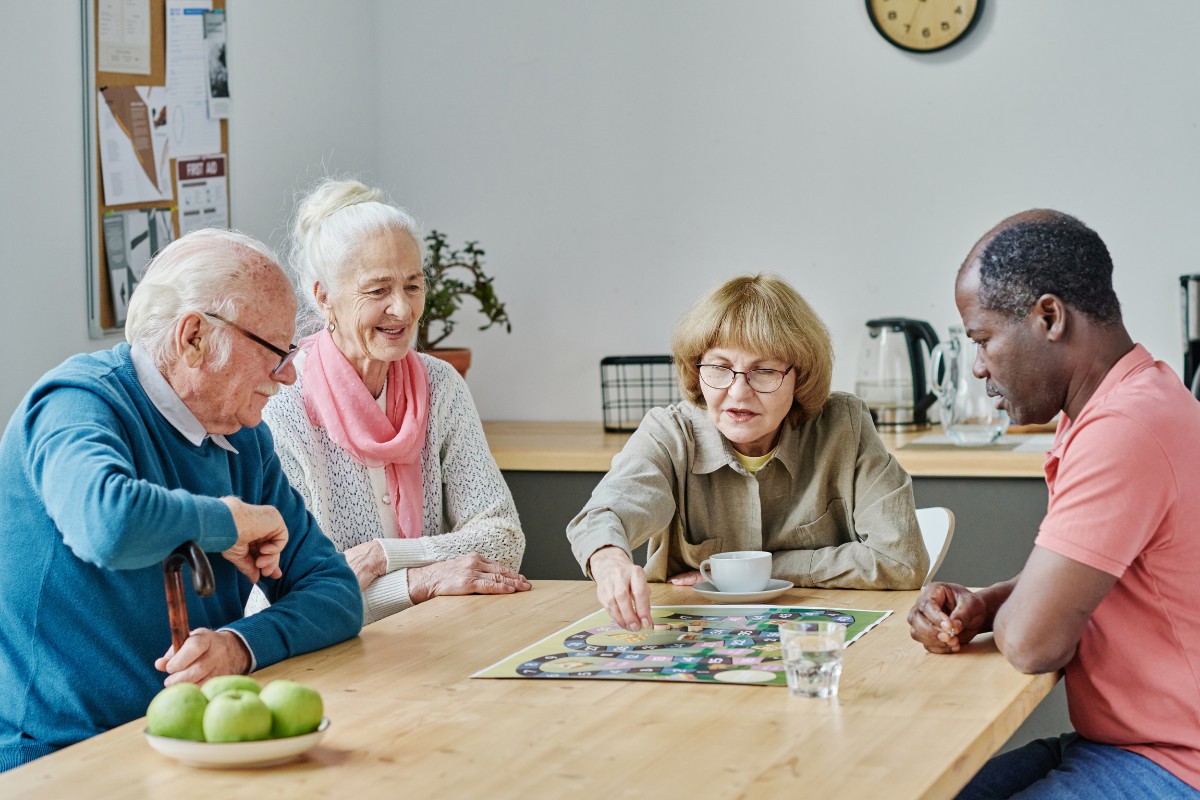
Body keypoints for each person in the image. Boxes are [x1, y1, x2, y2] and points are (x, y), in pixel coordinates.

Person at [0, 229, 362, 771]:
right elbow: (107, 523)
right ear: (194, 336)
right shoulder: (76, 401)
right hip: (54, 758)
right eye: (276, 353)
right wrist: (228, 522)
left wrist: (239, 646)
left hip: (192, 748)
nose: (288, 377)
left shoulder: (243, 440)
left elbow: (334, 591)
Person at [907, 210, 1200, 798]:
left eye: (983, 338)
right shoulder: (1122, 401)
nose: (979, 366)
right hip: (1122, 742)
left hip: (1174, 759)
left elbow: (1031, 643)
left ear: (1048, 317)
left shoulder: (1124, 428)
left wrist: (1018, 618)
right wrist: (988, 603)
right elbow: (1095, 574)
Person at [567, 273, 928, 631]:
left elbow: (901, 560)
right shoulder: (670, 433)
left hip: (817, 641)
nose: (738, 393)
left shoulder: (843, 426)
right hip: (696, 638)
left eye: (764, 371)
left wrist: (754, 571)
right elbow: (603, 514)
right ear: (696, 369)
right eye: (720, 368)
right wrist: (610, 560)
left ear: (799, 377)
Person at [257, 178, 528, 624]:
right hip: (327, 657)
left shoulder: (440, 385)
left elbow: (502, 539)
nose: (402, 310)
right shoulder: (283, 404)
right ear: (323, 296)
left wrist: (381, 556)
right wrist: (421, 581)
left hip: (435, 638)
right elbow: (291, 598)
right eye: (378, 290)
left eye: (413, 286)